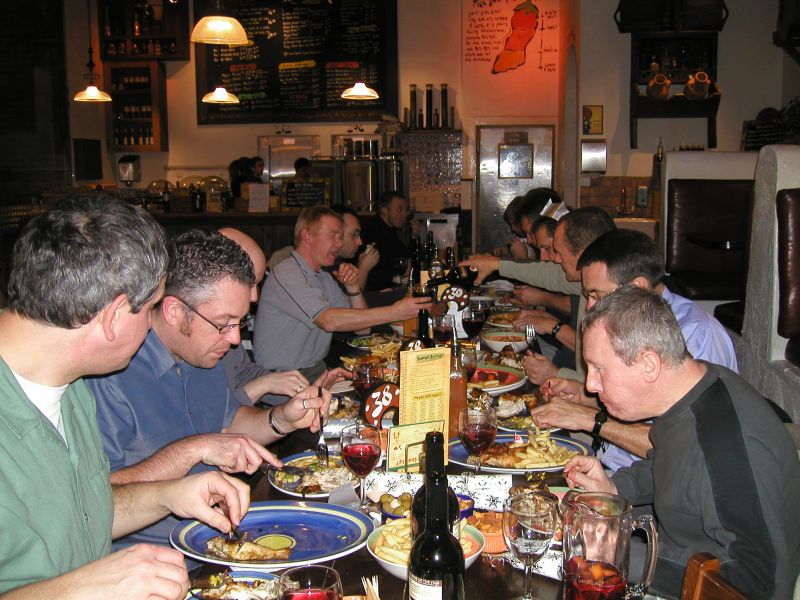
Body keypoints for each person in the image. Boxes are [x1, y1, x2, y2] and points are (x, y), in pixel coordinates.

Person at [0, 198, 250, 598]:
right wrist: (78, 588)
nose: (153, 325)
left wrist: (168, 495)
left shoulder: (70, 390)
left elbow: (81, 517)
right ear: (115, 315)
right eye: (151, 308)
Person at [86, 229, 330, 552]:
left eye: (239, 323)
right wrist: (194, 449)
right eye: (224, 323)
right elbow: (93, 506)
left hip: (219, 544)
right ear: (174, 311)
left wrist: (282, 419)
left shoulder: (204, 354)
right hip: (153, 565)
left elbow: (228, 424)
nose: (233, 340)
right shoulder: (110, 376)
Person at [563, 285, 800, 598]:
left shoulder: (729, 448)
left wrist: (617, 553)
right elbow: (672, 464)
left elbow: (757, 583)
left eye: (599, 369)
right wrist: (613, 489)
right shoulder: (691, 390)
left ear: (649, 365)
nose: (591, 385)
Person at [533, 229, 739, 471]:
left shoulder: (696, 335)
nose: (589, 308)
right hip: (606, 460)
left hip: (647, 484)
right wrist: (586, 397)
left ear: (637, 287)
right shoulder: (629, 322)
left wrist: (589, 418)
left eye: (598, 296)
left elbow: (688, 445)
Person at [254, 205, 431, 383]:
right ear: (307, 236)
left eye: (340, 236)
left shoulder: (323, 277)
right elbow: (328, 320)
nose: (339, 244)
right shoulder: (287, 273)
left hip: (315, 370)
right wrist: (396, 311)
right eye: (333, 236)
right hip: (280, 379)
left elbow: (362, 329)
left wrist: (353, 288)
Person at [461, 206, 616, 383]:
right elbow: (549, 275)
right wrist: (496, 264)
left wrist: (557, 372)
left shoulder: (615, 297)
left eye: (558, 252)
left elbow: (602, 388)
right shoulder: (591, 277)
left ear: (582, 254)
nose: (555, 260)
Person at [218, 227, 312, 405]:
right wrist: (264, 384)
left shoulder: (229, 325)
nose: (254, 297)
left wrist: (305, 394)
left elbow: (246, 373)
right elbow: (218, 418)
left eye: (258, 284)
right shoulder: (200, 331)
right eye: (249, 283)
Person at [359, 190, 415, 291]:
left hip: (391, 288)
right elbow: (374, 274)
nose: (404, 214)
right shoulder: (370, 230)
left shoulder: (391, 230)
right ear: (384, 210)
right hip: (374, 293)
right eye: (399, 210)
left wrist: (414, 237)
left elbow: (405, 258)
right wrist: (398, 277)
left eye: (406, 210)